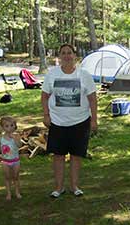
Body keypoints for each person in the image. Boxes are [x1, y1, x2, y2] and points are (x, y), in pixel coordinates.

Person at [41, 43, 97, 198]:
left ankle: (74, 186)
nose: (66, 55)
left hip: (80, 122)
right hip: (57, 122)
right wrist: (46, 115)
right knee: (58, 155)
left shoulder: (84, 75)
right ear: (59, 57)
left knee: (76, 155)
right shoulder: (52, 74)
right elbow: (44, 96)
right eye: (63, 53)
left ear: (75, 56)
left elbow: (92, 98)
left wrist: (94, 120)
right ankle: (59, 188)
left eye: (69, 53)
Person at [0, 116, 22, 200]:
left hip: (15, 160)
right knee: (7, 177)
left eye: (12, 125)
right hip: (5, 161)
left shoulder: (17, 136)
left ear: (15, 126)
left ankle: (17, 192)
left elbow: (19, 145)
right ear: (3, 127)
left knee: (16, 177)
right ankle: (8, 193)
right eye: (7, 126)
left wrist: (15, 139)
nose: (10, 128)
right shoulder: (0, 137)